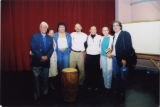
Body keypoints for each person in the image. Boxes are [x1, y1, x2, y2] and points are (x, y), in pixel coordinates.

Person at [107, 20, 137, 99]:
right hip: (114, 59)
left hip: (122, 59)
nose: (115, 27)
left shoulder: (125, 34)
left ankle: (123, 92)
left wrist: (125, 59)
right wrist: (110, 53)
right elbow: (114, 49)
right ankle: (118, 89)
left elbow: (129, 47)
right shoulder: (114, 36)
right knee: (116, 75)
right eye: (113, 26)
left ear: (120, 26)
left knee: (123, 76)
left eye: (117, 25)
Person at [30, 21, 54, 100]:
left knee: (45, 79)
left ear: (47, 29)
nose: (44, 28)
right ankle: (36, 94)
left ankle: (45, 92)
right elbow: (33, 48)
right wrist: (41, 56)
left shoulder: (50, 38)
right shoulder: (34, 36)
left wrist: (47, 56)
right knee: (36, 79)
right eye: (42, 27)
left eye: (45, 27)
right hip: (36, 62)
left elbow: (51, 49)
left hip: (46, 62)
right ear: (39, 28)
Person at [85, 26, 102, 91]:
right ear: (89, 30)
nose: (93, 30)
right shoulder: (87, 37)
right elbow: (85, 46)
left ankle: (96, 85)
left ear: (96, 30)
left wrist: (108, 53)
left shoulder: (100, 37)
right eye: (92, 29)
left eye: (94, 29)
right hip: (89, 56)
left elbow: (106, 46)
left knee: (97, 71)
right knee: (89, 71)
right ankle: (89, 85)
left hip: (97, 56)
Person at [100, 26, 113, 93]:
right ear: (102, 32)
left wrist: (107, 53)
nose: (105, 32)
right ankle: (105, 84)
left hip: (109, 56)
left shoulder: (112, 38)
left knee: (109, 71)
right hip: (102, 56)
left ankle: (108, 85)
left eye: (106, 30)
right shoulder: (101, 38)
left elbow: (111, 47)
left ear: (108, 31)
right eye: (103, 30)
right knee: (104, 71)